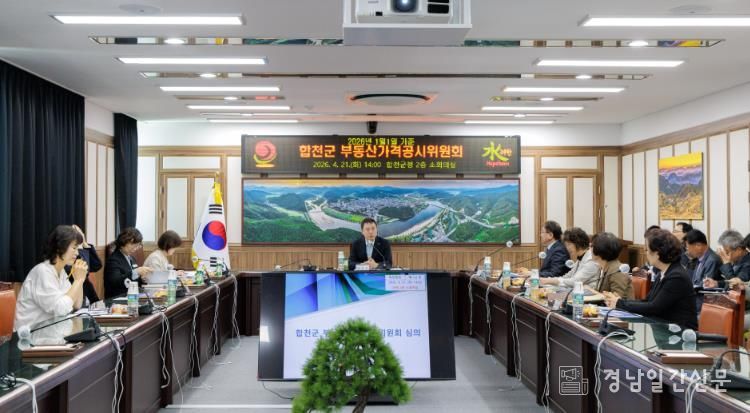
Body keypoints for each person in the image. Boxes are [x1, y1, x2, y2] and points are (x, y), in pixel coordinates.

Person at [604, 229, 698, 330]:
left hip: (680, 333)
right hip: (665, 328)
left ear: (657, 254)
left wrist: (619, 303)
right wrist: (620, 301)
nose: (646, 253)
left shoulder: (676, 277)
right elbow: (647, 301)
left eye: (647, 250)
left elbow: (654, 308)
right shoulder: (664, 272)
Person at [14, 225, 88, 329]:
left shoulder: (61, 272)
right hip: (31, 334)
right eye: (74, 248)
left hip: (51, 331)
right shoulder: (42, 272)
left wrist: (79, 279)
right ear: (59, 248)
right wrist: (78, 280)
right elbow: (60, 309)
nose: (77, 253)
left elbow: (76, 305)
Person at [104, 228, 153, 299]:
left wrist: (143, 278)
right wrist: (136, 272)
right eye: (133, 244)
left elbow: (136, 282)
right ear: (123, 242)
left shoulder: (132, 258)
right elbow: (115, 282)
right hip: (117, 299)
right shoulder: (113, 259)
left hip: (132, 297)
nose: (135, 248)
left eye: (137, 245)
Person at [591, 232, 634, 299]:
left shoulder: (617, 271)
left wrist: (593, 292)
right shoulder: (602, 267)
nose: (590, 249)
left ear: (600, 249)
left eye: (592, 246)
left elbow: (616, 299)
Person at [66, 224, 102, 305]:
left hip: (88, 291)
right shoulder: (67, 254)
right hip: (74, 292)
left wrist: (85, 244)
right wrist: (79, 248)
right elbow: (85, 270)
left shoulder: (81, 250)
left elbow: (97, 266)